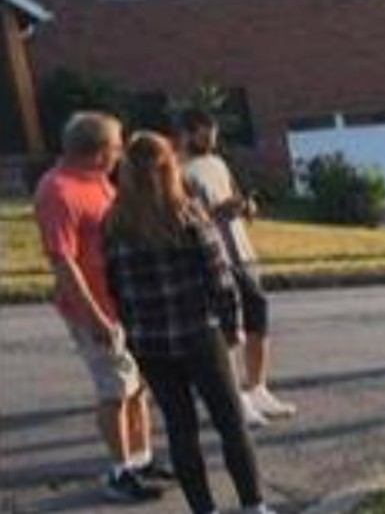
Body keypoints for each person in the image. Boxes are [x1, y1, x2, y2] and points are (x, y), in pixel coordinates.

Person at [104, 131, 276, 514]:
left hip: (150, 342)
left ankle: (204, 509)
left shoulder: (114, 222)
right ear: (170, 168)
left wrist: (132, 333)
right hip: (199, 332)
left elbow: (115, 286)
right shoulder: (187, 213)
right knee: (230, 423)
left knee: (181, 430)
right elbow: (220, 277)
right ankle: (253, 505)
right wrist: (232, 328)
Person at [33, 112, 168, 503]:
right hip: (96, 310)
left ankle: (141, 459)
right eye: (116, 145)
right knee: (115, 389)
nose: (121, 152)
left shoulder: (98, 183)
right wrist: (95, 318)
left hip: (123, 302)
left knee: (137, 385)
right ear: (97, 152)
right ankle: (119, 471)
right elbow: (63, 262)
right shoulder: (57, 191)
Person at [179, 110, 295, 427]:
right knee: (230, 328)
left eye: (213, 133)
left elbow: (232, 194)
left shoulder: (217, 163)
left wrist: (246, 206)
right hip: (215, 257)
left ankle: (258, 387)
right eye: (205, 133)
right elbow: (190, 215)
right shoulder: (180, 171)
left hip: (242, 251)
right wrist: (220, 210)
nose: (211, 140)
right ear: (187, 134)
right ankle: (236, 399)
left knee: (258, 315)